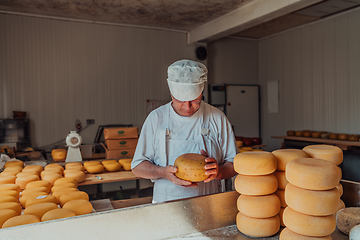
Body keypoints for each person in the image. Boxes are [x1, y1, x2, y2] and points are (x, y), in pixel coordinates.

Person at [131, 59, 238, 203]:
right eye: (181, 100)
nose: (187, 107)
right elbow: (137, 167)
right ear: (171, 92)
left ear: (202, 90)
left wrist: (219, 171)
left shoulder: (217, 118)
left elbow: (234, 164)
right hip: (166, 206)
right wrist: (162, 172)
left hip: (210, 205)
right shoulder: (156, 118)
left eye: (195, 100)